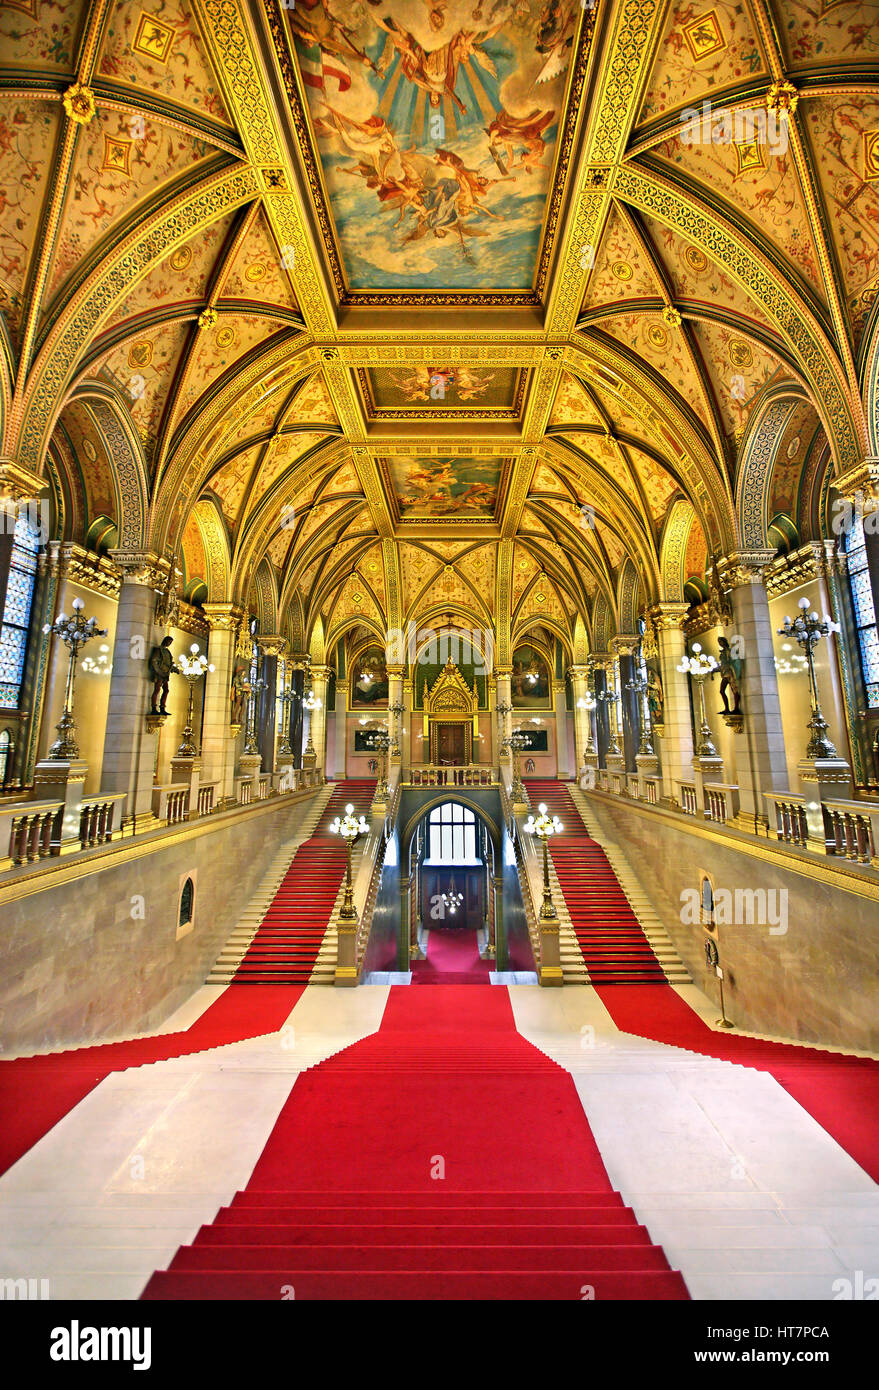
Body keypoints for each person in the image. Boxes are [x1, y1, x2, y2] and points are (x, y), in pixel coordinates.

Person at [148, 637, 177, 715]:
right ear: (165, 641)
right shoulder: (159, 650)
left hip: (165, 674)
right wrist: (159, 672)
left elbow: (168, 663)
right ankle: (154, 707)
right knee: (157, 689)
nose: (169, 644)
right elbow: (154, 661)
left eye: (170, 643)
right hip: (160, 673)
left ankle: (162, 707)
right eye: (169, 642)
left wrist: (174, 669)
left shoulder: (167, 651)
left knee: (166, 690)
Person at [716, 636, 742, 714]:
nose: (720, 643)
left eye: (721, 642)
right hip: (724, 673)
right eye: (719, 642)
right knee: (722, 691)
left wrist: (733, 670)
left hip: (729, 673)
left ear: (724, 642)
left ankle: (736, 708)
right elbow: (722, 664)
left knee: (734, 690)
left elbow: (733, 661)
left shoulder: (728, 651)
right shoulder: (723, 652)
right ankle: (727, 708)